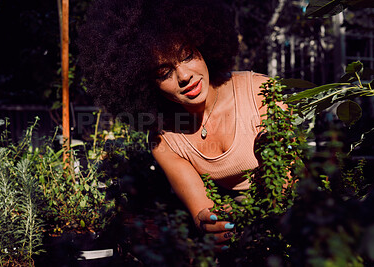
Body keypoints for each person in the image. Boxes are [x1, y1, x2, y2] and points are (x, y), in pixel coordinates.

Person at [78, 0, 283, 250]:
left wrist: (247, 210)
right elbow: (202, 211)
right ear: (144, 83)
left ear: (203, 45)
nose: (184, 76)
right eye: (164, 72)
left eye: (187, 55)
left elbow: (287, 180)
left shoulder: (261, 93)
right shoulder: (165, 140)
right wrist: (211, 225)